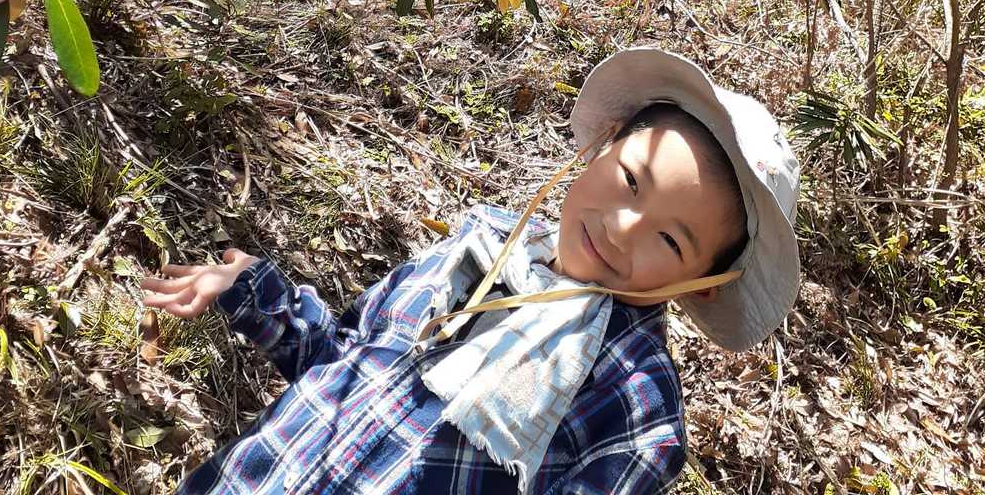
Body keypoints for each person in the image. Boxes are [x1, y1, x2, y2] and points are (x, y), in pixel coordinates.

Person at [141, 46, 801, 494]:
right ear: (605, 142)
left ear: (706, 284)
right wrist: (257, 294)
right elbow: (346, 361)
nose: (621, 228)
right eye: (631, 180)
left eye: (671, 239)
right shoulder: (479, 248)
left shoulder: (633, 405)